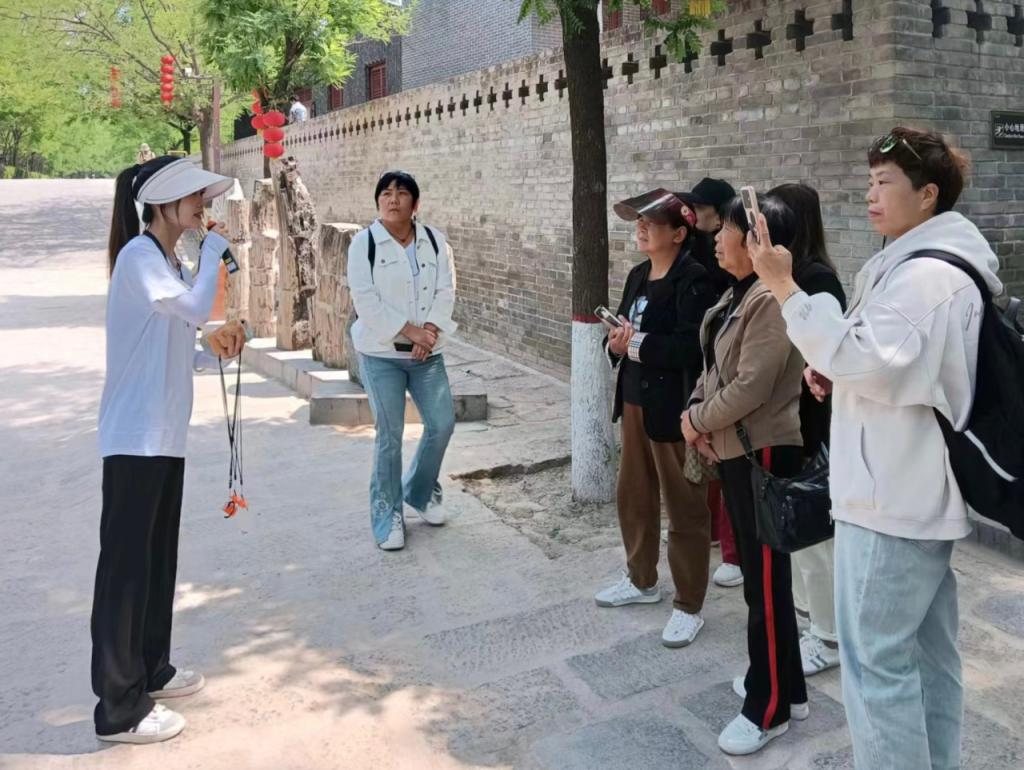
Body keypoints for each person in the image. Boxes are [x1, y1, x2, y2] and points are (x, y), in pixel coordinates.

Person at [751, 126, 1000, 770]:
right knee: (925, 660)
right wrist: (840, 375)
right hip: (902, 489)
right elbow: (888, 366)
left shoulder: (927, 277)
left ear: (928, 194)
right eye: (869, 181)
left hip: (891, 501)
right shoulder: (912, 263)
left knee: (876, 669)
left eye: (884, 182)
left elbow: (866, 356)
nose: (870, 194)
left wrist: (784, 288)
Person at [93, 156, 245, 744]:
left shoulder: (168, 263)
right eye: (195, 198)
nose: (203, 208)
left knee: (157, 561)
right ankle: (118, 708)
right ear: (163, 203)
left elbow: (178, 339)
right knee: (126, 571)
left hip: (163, 437)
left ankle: (152, 669)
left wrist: (213, 351)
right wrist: (214, 256)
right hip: (134, 438)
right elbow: (195, 309)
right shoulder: (139, 257)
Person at [682, 193, 808, 756]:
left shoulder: (771, 299)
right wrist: (696, 411)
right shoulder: (739, 293)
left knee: (765, 585)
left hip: (762, 451)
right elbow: (715, 370)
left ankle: (768, 706)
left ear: (757, 239)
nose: (717, 238)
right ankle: (789, 688)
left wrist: (696, 420)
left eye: (728, 228)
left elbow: (753, 385)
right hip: (734, 448)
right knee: (763, 583)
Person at [594, 189, 716, 648]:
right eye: (638, 222)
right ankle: (641, 578)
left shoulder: (694, 280)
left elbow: (692, 347)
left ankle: (688, 604)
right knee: (634, 495)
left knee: (684, 505)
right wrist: (615, 344)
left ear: (680, 233)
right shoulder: (638, 274)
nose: (641, 228)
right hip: (633, 400)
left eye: (651, 222)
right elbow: (621, 332)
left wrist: (637, 343)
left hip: (674, 409)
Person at [348, 170, 457, 551]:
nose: (393, 199)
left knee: (442, 424)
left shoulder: (435, 241)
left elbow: (446, 290)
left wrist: (430, 332)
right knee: (390, 436)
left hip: (427, 353)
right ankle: (386, 516)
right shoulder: (363, 244)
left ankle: (420, 492)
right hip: (381, 355)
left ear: (415, 203)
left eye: (402, 192)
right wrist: (412, 332)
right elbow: (365, 301)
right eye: (386, 193)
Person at [767, 182, 846, 677]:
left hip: (808, 425)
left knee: (816, 540)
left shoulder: (817, 280)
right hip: (788, 425)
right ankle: (811, 623)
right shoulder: (789, 276)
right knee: (796, 535)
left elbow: (821, 356)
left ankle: (831, 636)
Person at [677, 177, 742, 589]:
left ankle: (735, 552)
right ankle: (718, 534)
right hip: (705, 369)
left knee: (729, 458)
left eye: (699, 208)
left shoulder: (733, 265)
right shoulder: (694, 251)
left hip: (730, 372)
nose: (692, 215)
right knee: (708, 456)